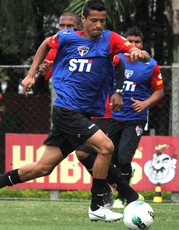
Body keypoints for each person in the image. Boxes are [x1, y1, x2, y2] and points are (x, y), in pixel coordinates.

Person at [0, 0, 150, 223]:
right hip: (66, 110)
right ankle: (100, 205)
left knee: (43, 167)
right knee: (105, 147)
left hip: (82, 113)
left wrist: (139, 53)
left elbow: (136, 52)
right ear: (84, 21)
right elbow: (44, 45)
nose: (99, 25)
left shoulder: (111, 39)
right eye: (94, 20)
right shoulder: (67, 38)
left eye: (102, 21)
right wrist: (32, 74)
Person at [37, 12, 143, 207]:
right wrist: (40, 72)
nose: (65, 30)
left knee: (94, 151)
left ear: (79, 26)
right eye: (61, 26)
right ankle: (118, 192)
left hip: (99, 110)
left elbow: (119, 65)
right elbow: (52, 72)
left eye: (69, 26)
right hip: (72, 111)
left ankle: (114, 194)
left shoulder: (104, 42)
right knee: (59, 162)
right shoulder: (61, 47)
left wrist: (118, 91)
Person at [106, 27, 164, 208]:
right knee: (109, 158)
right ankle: (115, 187)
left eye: (137, 42)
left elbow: (160, 91)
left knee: (124, 158)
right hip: (113, 117)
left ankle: (121, 197)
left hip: (136, 118)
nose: (133, 45)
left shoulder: (151, 64)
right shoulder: (116, 59)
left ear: (142, 44)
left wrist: (145, 103)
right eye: (129, 41)